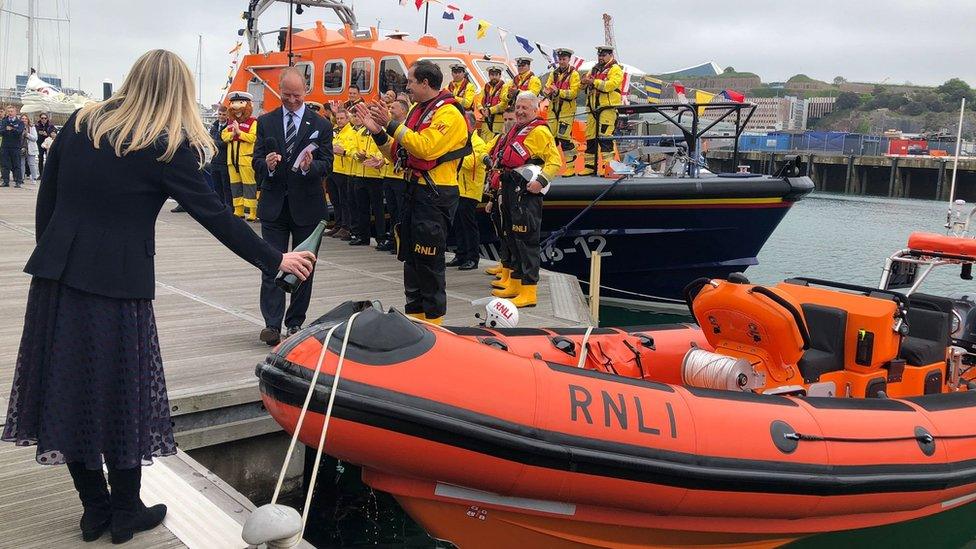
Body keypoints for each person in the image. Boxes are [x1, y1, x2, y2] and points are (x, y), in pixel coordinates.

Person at [1, 49, 314, 545]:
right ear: (177, 94)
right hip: (119, 288)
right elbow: (217, 216)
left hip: (56, 281)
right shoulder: (165, 146)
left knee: (67, 388)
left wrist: (53, 258)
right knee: (123, 394)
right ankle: (125, 510)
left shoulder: (82, 124)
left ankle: (94, 511)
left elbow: (49, 202)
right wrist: (276, 260)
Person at [353, 60, 469, 325]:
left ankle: (434, 322)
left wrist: (392, 124)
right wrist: (378, 133)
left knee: (428, 260)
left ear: (426, 83)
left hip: (435, 193)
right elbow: (399, 153)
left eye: (411, 82)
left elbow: (425, 148)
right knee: (411, 259)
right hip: (414, 191)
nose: (408, 87)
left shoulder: (448, 114)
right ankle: (414, 317)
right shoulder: (421, 110)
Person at [252, 67, 334, 345]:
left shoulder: (321, 125)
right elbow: (256, 161)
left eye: (297, 96)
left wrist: (311, 168)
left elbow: (327, 164)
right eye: (286, 95)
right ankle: (271, 324)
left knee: (303, 268)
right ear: (279, 90)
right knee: (270, 264)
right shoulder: (266, 122)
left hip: (308, 207)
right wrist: (268, 165)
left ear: (305, 91)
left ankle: (295, 322)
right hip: (275, 205)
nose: (292, 101)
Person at [487, 92, 561, 308]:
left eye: (524, 108)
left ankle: (529, 290)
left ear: (535, 110)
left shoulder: (539, 131)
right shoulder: (517, 130)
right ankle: (516, 282)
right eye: (518, 107)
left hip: (526, 191)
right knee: (512, 236)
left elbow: (554, 161)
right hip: (510, 185)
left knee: (527, 239)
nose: (519, 112)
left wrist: (541, 181)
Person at [448, 115, 488, 271]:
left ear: (470, 125)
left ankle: (472, 258)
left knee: (468, 224)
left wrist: (453, 154)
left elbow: (470, 163)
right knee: (458, 223)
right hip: (458, 188)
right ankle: (461, 254)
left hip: (470, 190)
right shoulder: (461, 141)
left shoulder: (478, 143)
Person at [484, 108, 517, 282]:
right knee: (501, 229)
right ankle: (504, 264)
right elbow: (489, 157)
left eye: (510, 118)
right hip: (497, 189)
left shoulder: (515, 140)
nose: (507, 122)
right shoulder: (499, 139)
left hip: (508, 189)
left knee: (508, 231)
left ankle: (509, 268)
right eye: (505, 118)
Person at [581, 45, 623, 176]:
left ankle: (608, 168)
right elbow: (583, 84)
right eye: (599, 55)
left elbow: (610, 85)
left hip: (607, 109)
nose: (601, 57)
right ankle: (589, 167)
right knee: (590, 138)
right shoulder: (594, 69)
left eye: (604, 55)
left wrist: (594, 82)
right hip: (593, 108)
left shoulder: (615, 69)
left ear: (611, 55)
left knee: (605, 138)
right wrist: (584, 81)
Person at [350, 110, 388, 248]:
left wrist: (373, 157)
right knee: (362, 207)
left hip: (375, 176)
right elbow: (352, 148)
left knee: (378, 209)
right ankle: (363, 236)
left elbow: (383, 149)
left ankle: (381, 237)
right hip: (360, 174)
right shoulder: (360, 133)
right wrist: (357, 155)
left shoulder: (381, 132)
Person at [222, 91, 259, 220]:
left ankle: (252, 212)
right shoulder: (230, 123)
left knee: (249, 186)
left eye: (240, 103)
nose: (236, 107)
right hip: (232, 160)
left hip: (246, 159)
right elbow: (224, 136)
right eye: (233, 103)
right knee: (235, 186)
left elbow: (253, 137)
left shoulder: (253, 122)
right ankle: (238, 210)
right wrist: (232, 134)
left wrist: (239, 133)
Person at [544, 48, 582, 176]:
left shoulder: (574, 74)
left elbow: (574, 92)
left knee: (564, 138)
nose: (561, 62)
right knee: (551, 139)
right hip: (553, 110)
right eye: (560, 59)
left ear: (568, 59)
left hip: (566, 111)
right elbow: (547, 88)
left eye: (564, 59)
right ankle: (551, 166)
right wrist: (547, 92)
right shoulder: (553, 74)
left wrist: (558, 91)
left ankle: (570, 167)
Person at [381, 99, 409, 253]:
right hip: (388, 173)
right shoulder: (389, 128)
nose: (390, 109)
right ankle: (393, 239)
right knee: (392, 211)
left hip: (400, 176)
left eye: (393, 107)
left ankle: (402, 243)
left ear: (404, 111)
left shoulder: (405, 128)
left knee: (401, 211)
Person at [328, 109, 355, 241]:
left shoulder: (351, 131)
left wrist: (343, 151)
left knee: (344, 200)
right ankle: (338, 224)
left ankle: (346, 226)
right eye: (337, 119)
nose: (339, 121)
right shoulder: (335, 131)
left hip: (344, 170)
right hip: (333, 168)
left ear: (347, 119)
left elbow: (351, 148)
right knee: (335, 200)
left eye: (342, 118)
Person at [477, 66, 508, 141]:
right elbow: (478, 101)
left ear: (500, 75)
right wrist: (481, 109)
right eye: (492, 75)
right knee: (484, 141)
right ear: (489, 75)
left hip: (499, 121)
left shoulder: (504, 87)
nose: (494, 77)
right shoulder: (485, 87)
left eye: (496, 75)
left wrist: (490, 110)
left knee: (497, 141)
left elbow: (504, 104)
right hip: (486, 120)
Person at [209, 105, 232, 206]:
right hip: (214, 160)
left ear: (227, 115)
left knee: (226, 186)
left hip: (225, 161)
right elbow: (211, 141)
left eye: (224, 114)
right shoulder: (214, 126)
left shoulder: (229, 127)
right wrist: (219, 142)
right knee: (216, 186)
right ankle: (219, 206)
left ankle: (228, 207)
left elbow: (225, 143)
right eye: (220, 114)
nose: (221, 116)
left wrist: (216, 142)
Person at [1, 105, 25, 188]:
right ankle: (5, 181)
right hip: (5, 146)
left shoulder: (20, 122)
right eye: (9, 111)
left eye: (12, 111)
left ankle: (18, 181)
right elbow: (1, 131)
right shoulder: (4, 121)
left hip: (15, 147)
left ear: (15, 112)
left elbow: (19, 132)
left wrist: (12, 129)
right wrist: (6, 129)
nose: (10, 113)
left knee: (17, 164)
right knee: (5, 164)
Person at [20, 113, 39, 183]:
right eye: (22, 119)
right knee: (21, 163)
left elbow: (35, 138)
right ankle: (21, 178)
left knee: (31, 163)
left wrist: (27, 134)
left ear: (28, 120)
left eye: (25, 119)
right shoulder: (18, 127)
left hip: (30, 147)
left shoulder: (32, 127)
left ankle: (34, 178)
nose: (24, 120)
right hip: (21, 147)